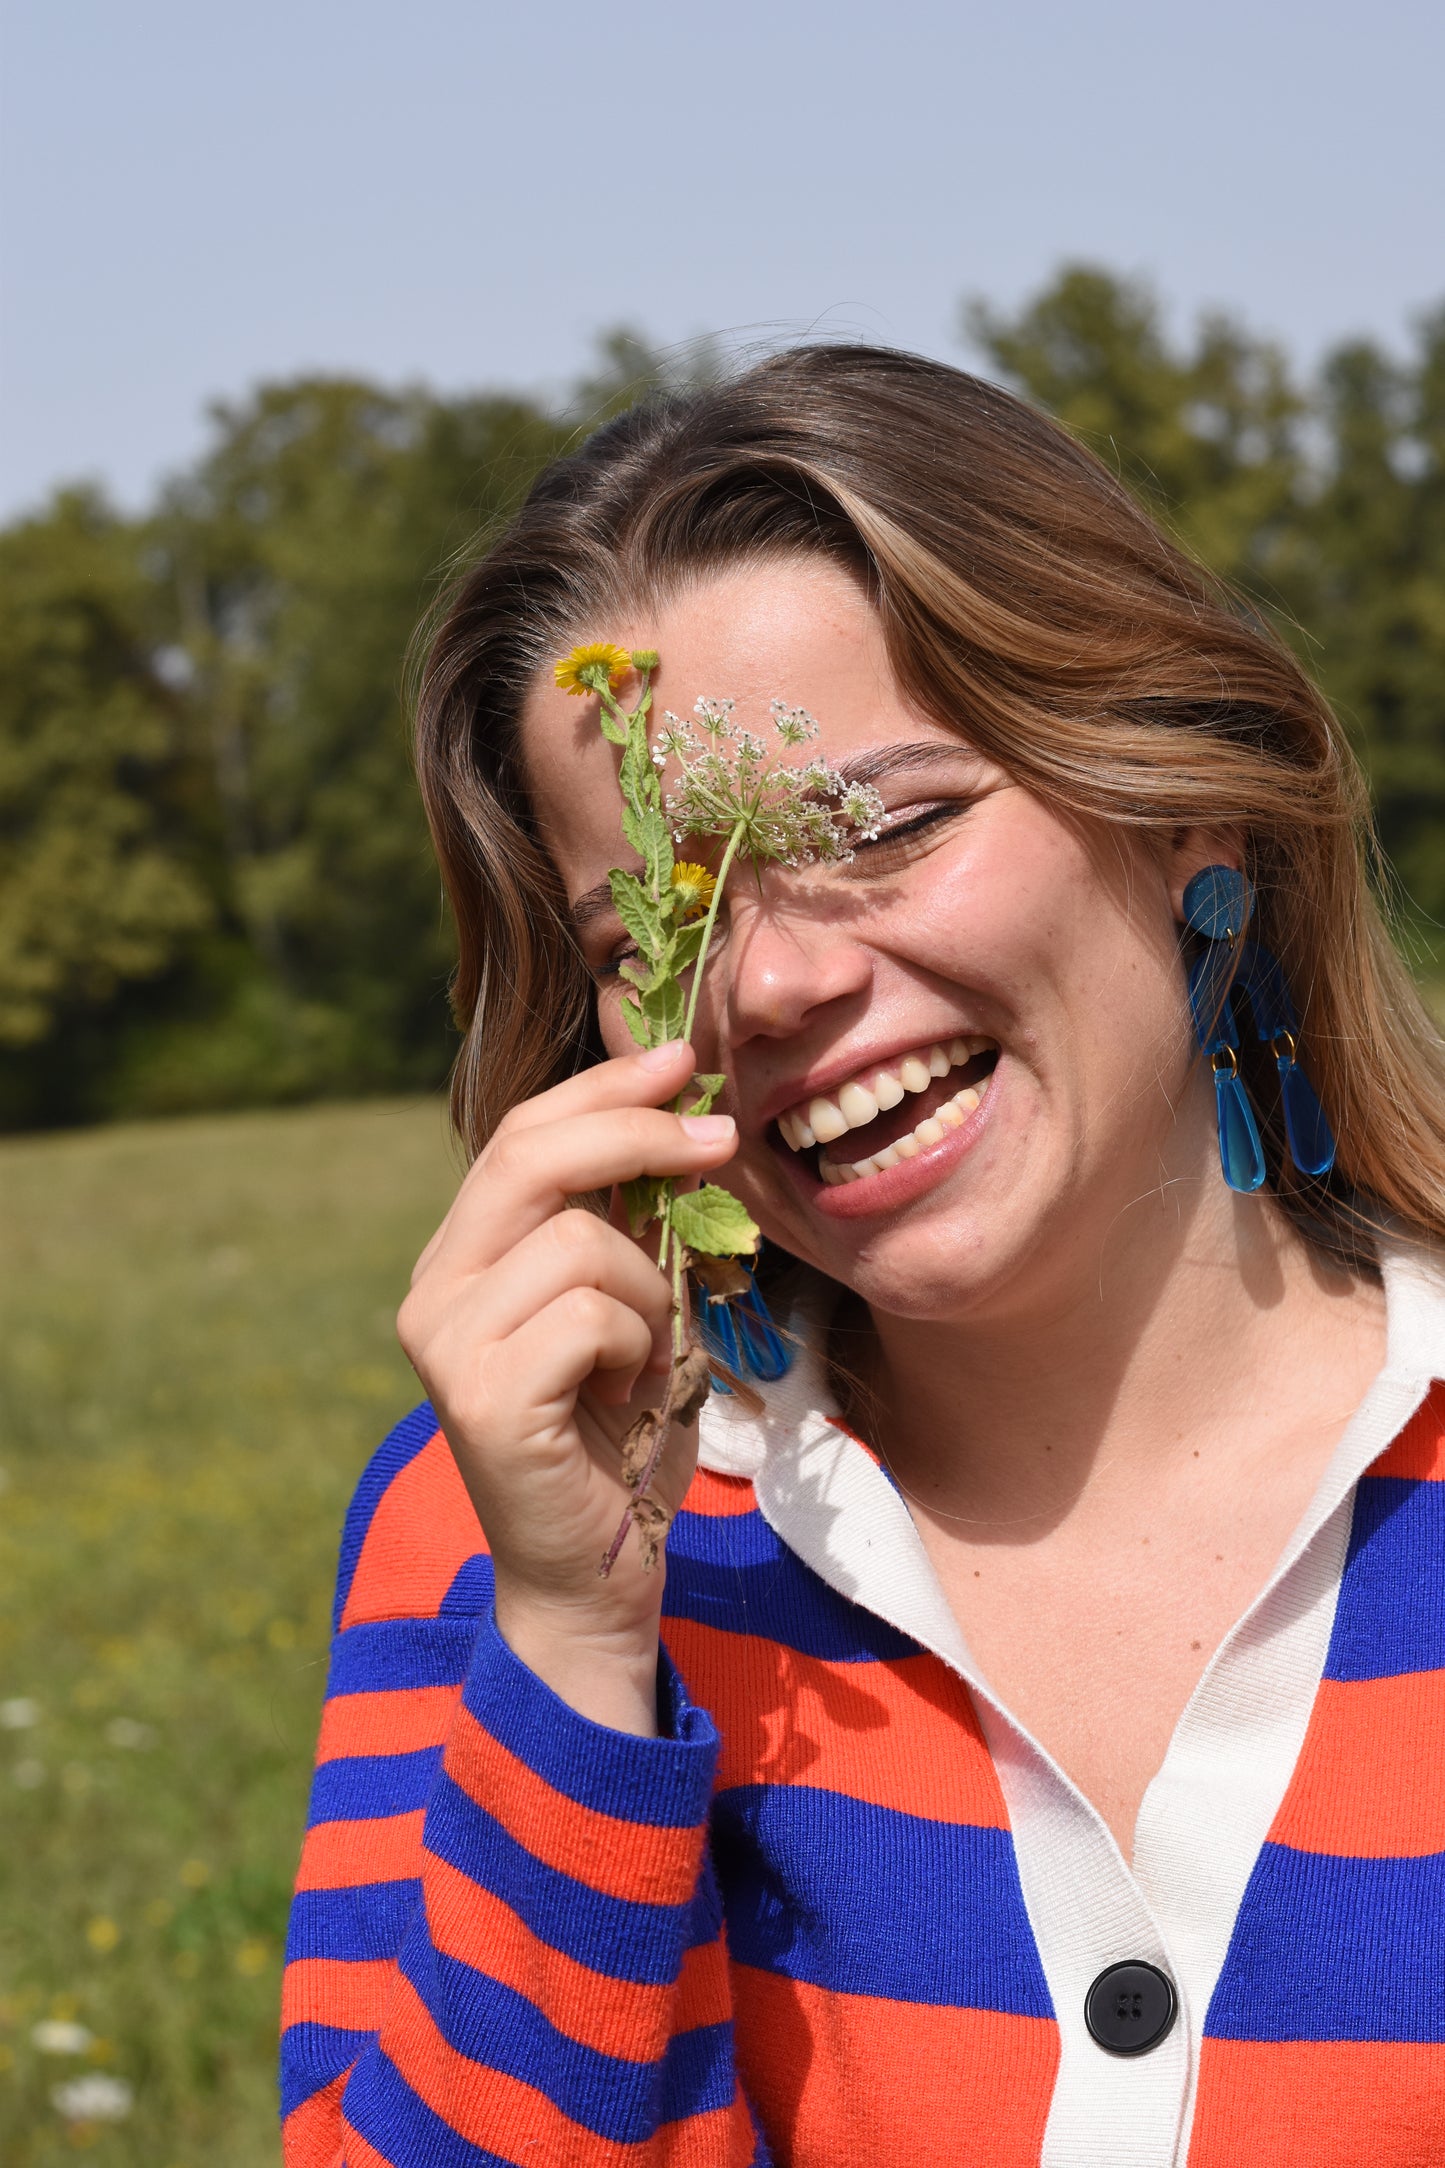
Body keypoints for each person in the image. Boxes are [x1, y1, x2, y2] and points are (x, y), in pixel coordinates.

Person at [279, 347, 1445, 2168]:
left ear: (1186, 809)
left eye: (883, 827)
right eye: (648, 927)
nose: (772, 984)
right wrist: (582, 1655)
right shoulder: (497, 1536)